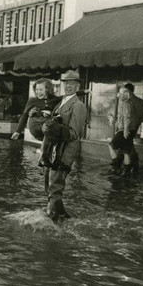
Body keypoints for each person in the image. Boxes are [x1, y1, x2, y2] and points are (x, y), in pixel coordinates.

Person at [11, 78, 88, 167]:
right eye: (36, 90)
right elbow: (24, 115)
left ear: (48, 90)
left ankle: (56, 160)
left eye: (41, 90)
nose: (38, 92)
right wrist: (17, 131)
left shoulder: (53, 99)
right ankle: (43, 157)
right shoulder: (32, 101)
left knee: (57, 131)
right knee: (51, 126)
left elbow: (67, 96)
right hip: (35, 125)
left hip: (46, 124)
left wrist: (84, 91)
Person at [43, 70, 87, 223]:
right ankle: (62, 215)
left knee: (55, 185)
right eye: (66, 83)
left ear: (77, 86)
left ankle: (52, 220)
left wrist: (55, 128)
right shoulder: (61, 102)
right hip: (53, 150)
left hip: (65, 152)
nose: (68, 86)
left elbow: (73, 133)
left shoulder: (79, 106)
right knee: (49, 183)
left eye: (72, 84)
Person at [108, 86, 143, 177]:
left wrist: (124, 129)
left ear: (127, 92)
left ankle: (116, 165)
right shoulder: (139, 101)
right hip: (132, 128)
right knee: (126, 150)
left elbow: (126, 118)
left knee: (113, 145)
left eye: (121, 93)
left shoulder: (126, 103)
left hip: (125, 129)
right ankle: (127, 170)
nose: (119, 95)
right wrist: (135, 124)